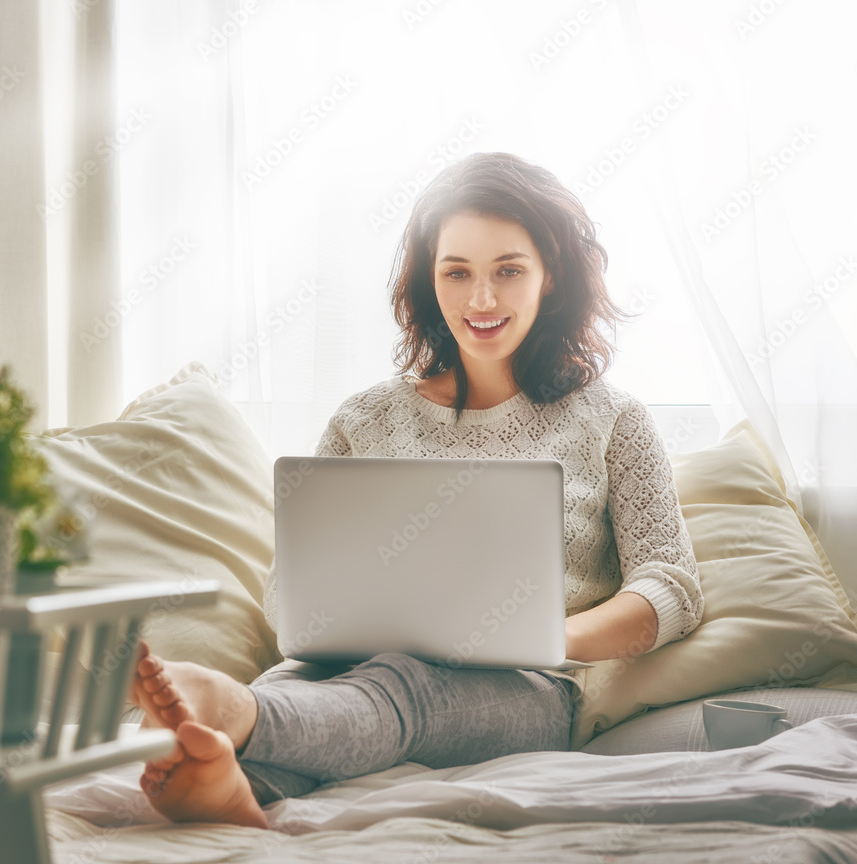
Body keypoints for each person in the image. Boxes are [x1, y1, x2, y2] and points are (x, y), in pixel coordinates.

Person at [129, 152, 704, 828]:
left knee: (405, 686)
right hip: (346, 669)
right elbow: (292, 588)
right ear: (429, 283)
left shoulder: (612, 419)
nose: (480, 300)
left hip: (524, 691)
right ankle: (229, 781)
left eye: (508, 271)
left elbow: (673, 586)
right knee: (301, 685)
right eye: (456, 272)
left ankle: (237, 716)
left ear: (551, 279)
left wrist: (551, 636)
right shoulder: (362, 418)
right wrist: (318, 621)